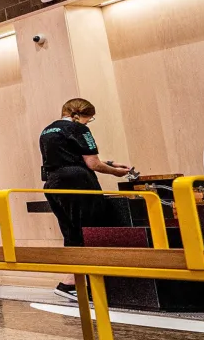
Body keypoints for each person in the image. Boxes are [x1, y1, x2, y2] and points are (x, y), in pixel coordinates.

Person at [39, 98, 135, 299]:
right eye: (89, 119)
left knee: (71, 231)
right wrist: (115, 172)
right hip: (78, 182)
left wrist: (108, 162)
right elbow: (92, 163)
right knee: (90, 228)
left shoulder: (47, 131)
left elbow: (67, 157)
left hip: (52, 183)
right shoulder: (79, 129)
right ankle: (83, 283)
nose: (87, 123)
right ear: (83, 116)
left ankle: (72, 282)